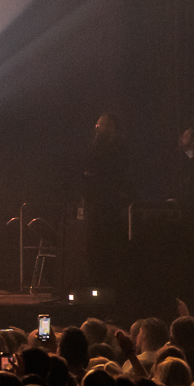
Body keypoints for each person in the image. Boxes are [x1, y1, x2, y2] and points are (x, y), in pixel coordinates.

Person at [83, 114, 129, 290]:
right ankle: (95, 282)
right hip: (95, 201)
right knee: (93, 244)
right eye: (97, 124)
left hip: (110, 202)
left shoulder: (119, 147)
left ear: (110, 127)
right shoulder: (95, 145)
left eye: (100, 124)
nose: (97, 127)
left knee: (108, 243)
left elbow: (118, 173)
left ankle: (110, 285)